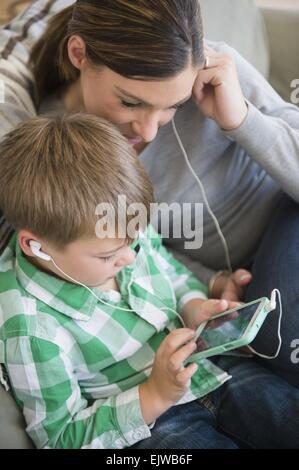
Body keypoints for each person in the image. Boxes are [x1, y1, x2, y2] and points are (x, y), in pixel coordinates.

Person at [0, 0, 299, 387]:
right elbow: (125, 243)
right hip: (240, 284)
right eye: (130, 102)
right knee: (276, 344)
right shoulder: (57, 150)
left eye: (172, 107)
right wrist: (208, 280)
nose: (149, 130)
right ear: (79, 54)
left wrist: (242, 119)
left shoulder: (214, 69)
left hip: (286, 216)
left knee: (284, 334)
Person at [1, 113, 299, 450]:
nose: (130, 258)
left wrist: (193, 306)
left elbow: (169, 272)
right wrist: (153, 394)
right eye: (108, 257)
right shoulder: (30, 328)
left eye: (134, 241)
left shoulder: (120, 230)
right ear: (35, 246)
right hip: (151, 425)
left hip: (211, 370)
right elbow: (60, 439)